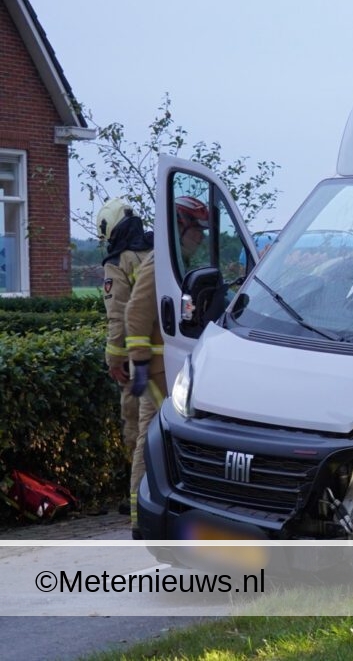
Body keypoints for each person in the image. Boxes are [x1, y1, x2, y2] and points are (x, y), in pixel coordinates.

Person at [123, 195, 209, 536]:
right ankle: (138, 520)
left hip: (171, 370)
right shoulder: (161, 262)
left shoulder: (179, 263)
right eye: (196, 228)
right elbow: (135, 313)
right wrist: (141, 365)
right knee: (150, 441)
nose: (201, 236)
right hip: (158, 372)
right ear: (180, 226)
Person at [96, 198, 153, 515]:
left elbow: (117, 319)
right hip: (166, 354)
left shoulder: (117, 262)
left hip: (136, 363)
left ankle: (139, 503)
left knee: (136, 431)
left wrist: (113, 361)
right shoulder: (154, 250)